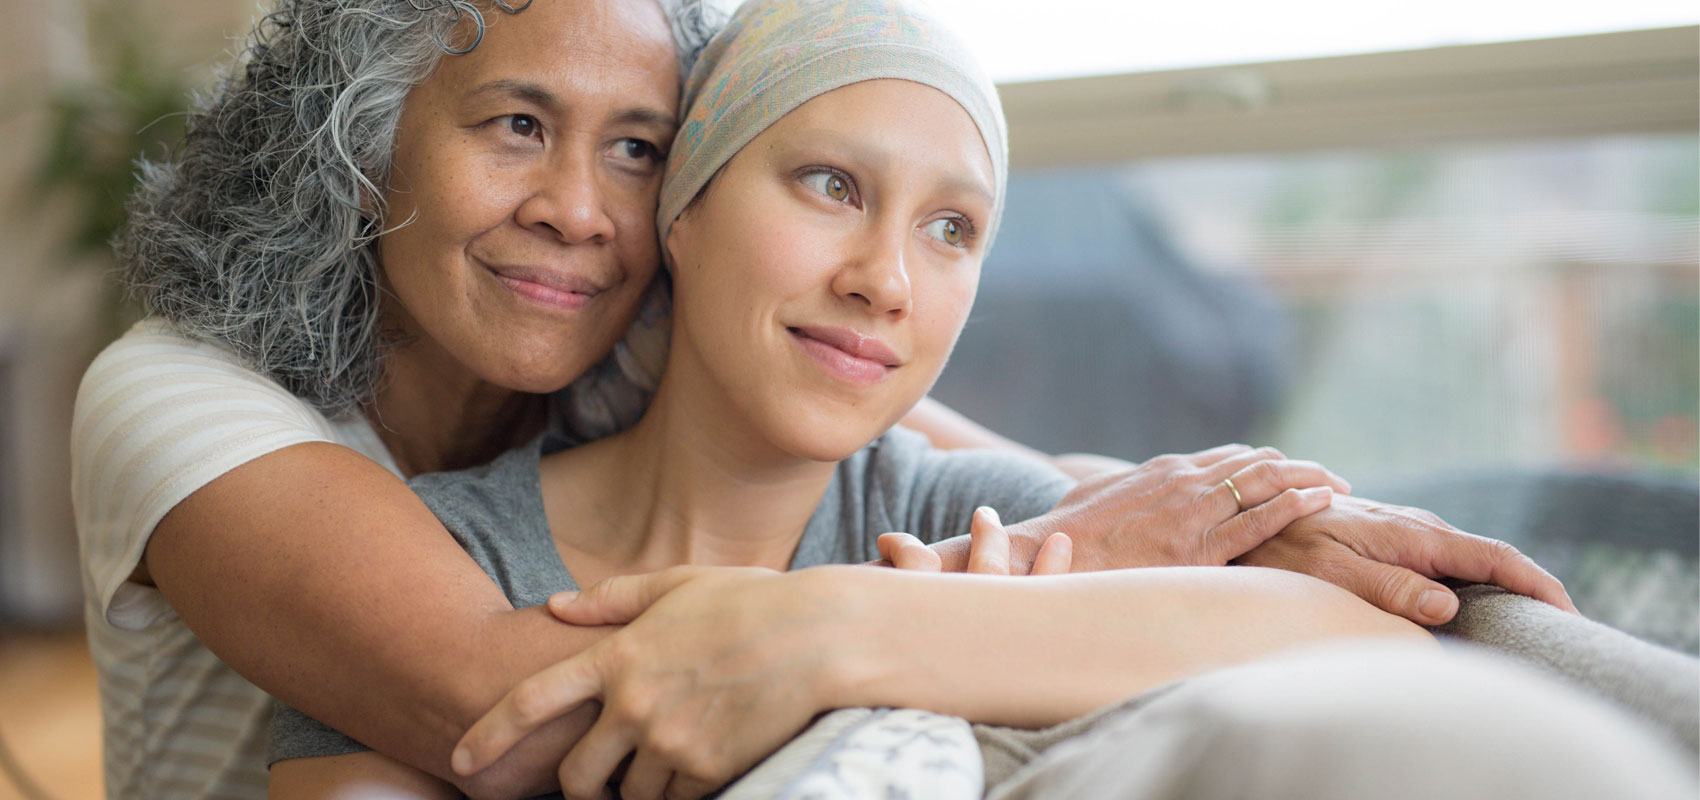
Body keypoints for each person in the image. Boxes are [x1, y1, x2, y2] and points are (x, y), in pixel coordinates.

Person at [70, 0, 1571, 797]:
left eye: (641, 147)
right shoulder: (181, 396)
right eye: (519, 125)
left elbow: (1017, 469)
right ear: (364, 148)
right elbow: (501, 709)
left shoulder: (636, 340)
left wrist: (1272, 512)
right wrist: (948, 621)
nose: (583, 211)